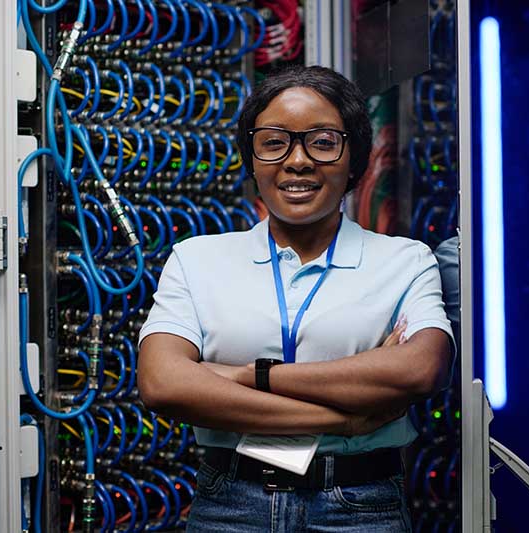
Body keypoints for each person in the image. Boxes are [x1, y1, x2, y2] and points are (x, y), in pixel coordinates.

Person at [137, 66, 454, 533]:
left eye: (323, 142)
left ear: (355, 159)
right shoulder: (196, 259)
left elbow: (422, 369)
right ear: (252, 157)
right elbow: (164, 384)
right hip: (231, 505)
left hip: (360, 508)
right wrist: (344, 421)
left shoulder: (404, 261)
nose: (298, 161)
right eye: (273, 141)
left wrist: (250, 375)